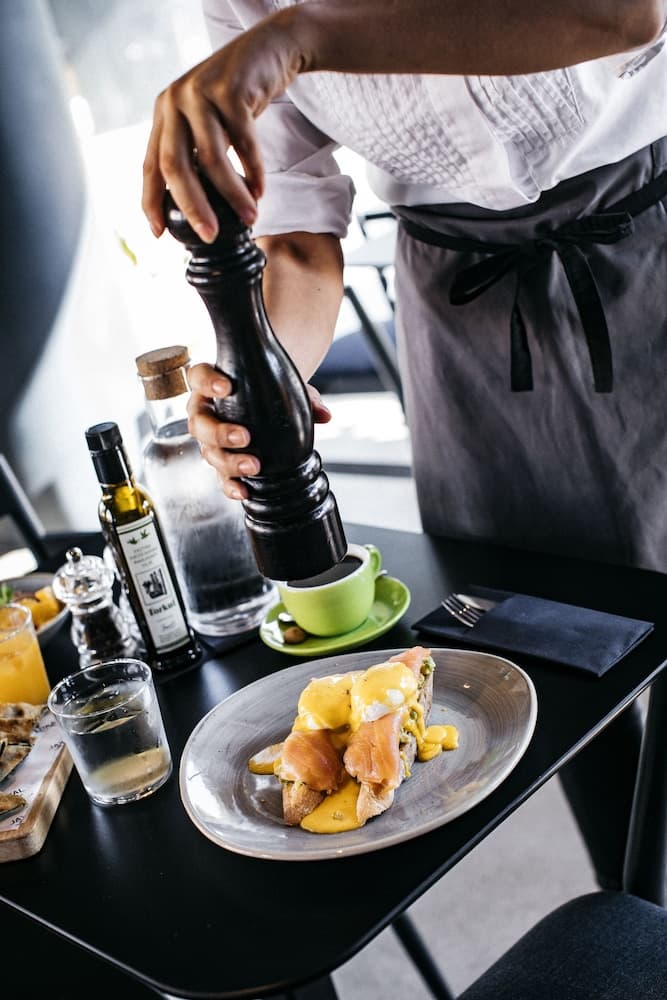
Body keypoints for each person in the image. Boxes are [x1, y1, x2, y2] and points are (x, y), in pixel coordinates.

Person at [142, 1, 667, 891]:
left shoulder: (282, 29)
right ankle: (634, 913)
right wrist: (265, 378)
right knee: (544, 646)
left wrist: (303, 38)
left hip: (645, 234)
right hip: (465, 318)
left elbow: (620, 13)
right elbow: (297, 238)